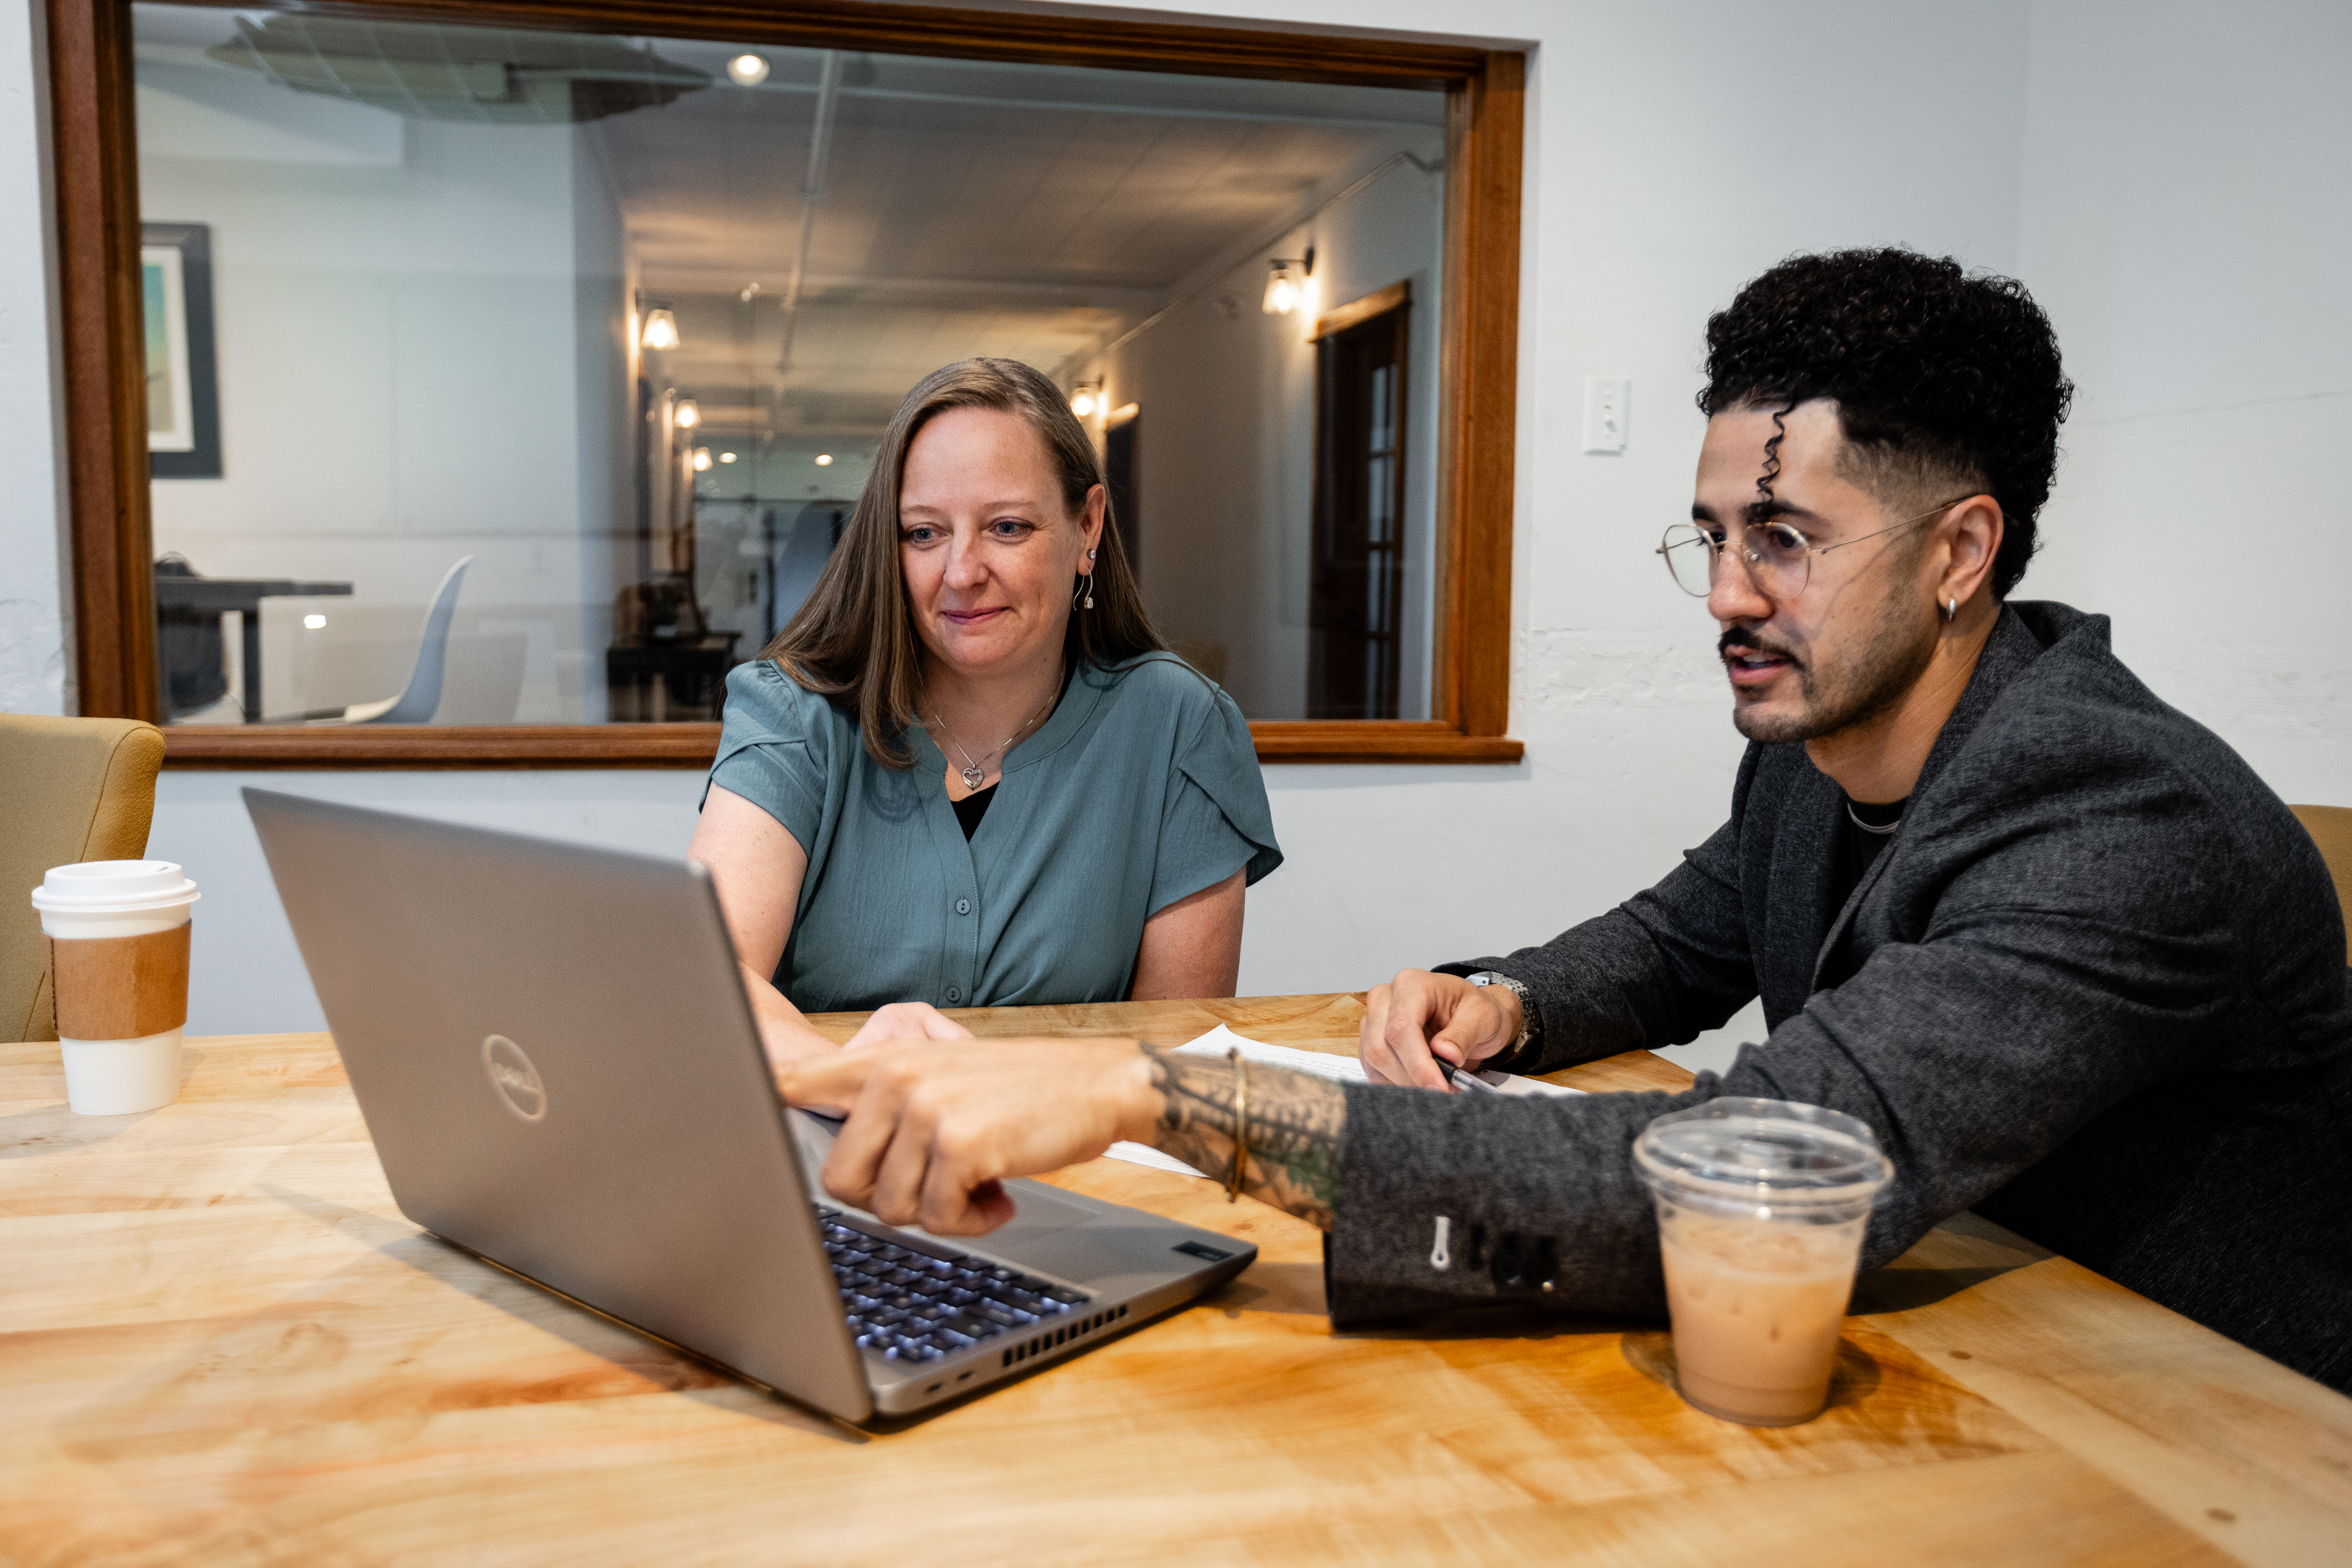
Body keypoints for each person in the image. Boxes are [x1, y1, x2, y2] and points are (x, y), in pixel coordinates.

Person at [772, 251, 2352, 1392]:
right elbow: (1681, 934)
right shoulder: (1827, 745)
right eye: (1716, 535)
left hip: (2198, 1413)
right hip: (1974, 1331)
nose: (1730, 595)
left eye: (1786, 540)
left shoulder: (2115, 819)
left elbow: (1748, 1166)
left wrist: (1150, 1091)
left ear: (1959, 550)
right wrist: (1510, 994)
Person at [690, 358, 1281, 1065]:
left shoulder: (1179, 726)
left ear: (1087, 526)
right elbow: (708, 981)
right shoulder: (794, 715)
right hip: (832, 1152)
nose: (962, 573)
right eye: (923, 534)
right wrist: (864, 1086)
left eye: (1006, 527)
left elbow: (1173, 1066)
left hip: (1075, 1163)